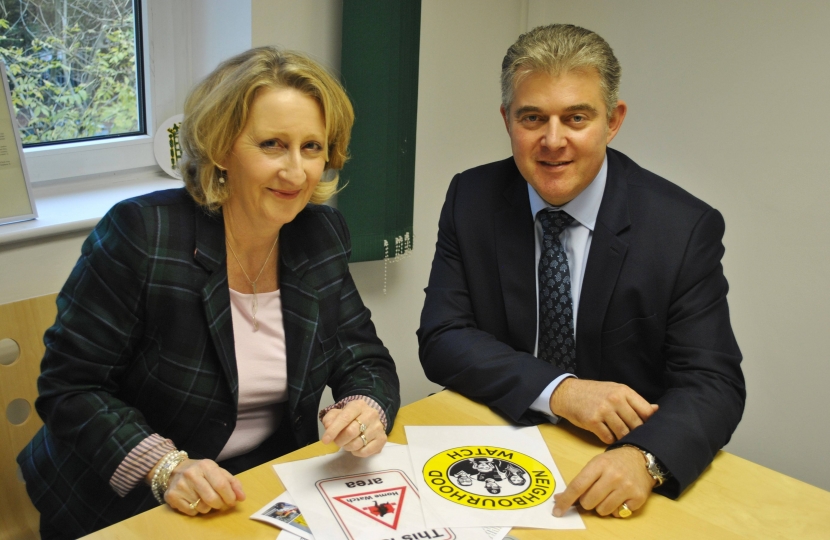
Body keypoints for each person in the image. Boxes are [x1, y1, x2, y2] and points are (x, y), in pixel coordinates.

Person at [17, 47, 400, 539]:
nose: (296, 171)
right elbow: (70, 388)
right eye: (272, 145)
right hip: (125, 503)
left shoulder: (319, 233)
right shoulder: (143, 234)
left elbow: (363, 355)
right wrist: (166, 467)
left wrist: (366, 406)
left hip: (257, 487)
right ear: (221, 148)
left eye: (311, 147)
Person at [417, 24, 745, 520]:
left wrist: (647, 459)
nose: (553, 141)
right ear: (507, 119)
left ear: (613, 121)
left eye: (576, 118)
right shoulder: (472, 197)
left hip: (619, 469)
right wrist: (562, 391)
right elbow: (443, 336)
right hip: (498, 447)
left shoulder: (681, 227)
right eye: (533, 118)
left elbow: (713, 381)